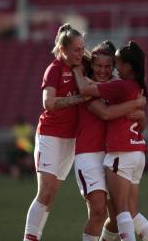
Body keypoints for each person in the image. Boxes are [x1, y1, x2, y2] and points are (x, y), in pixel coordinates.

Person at [73, 41, 148, 241]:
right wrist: (135, 104)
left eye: (109, 66)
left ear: (116, 66)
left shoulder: (117, 85)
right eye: (98, 66)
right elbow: (104, 113)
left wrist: (141, 114)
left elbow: (140, 124)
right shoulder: (95, 85)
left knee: (121, 214)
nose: (103, 70)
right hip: (89, 153)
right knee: (99, 211)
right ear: (91, 65)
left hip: (115, 152)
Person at [23, 23, 88, 241]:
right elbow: (48, 102)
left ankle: (34, 236)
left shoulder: (82, 66)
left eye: (83, 48)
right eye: (77, 49)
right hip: (50, 135)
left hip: (70, 139)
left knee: (51, 195)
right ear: (63, 49)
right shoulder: (54, 69)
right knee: (45, 192)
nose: (81, 53)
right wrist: (78, 98)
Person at [11, 115, 34, 179]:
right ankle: (22, 175)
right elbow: (14, 138)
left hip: (27, 147)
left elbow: (31, 137)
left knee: (28, 162)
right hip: (19, 147)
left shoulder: (28, 127)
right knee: (20, 162)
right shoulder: (15, 128)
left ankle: (29, 174)